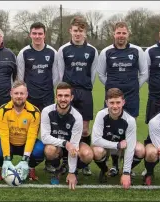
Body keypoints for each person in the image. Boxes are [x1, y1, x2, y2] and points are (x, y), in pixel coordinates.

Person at [97, 21, 148, 176]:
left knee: (128, 131)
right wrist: (114, 91)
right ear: (114, 34)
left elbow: (144, 73)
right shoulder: (106, 52)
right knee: (111, 131)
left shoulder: (137, 51)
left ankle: (127, 166)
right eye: (118, 33)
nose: (121, 36)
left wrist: (133, 87)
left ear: (128, 34)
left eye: (123, 33)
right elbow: (101, 74)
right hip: (112, 99)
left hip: (132, 98)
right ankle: (113, 164)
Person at [55, 16, 99, 176]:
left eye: (81, 31)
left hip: (85, 92)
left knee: (85, 130)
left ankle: (83, 163)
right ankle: (66, 161)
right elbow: (60, 74)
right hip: (69, 92)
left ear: (85, 32)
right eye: (75, 31)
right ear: (70, 31)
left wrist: (84, 86)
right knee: (67, 127)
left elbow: (93, 74)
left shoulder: (92, 51)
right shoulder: (63, 50)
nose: (78, 34)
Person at [0, 80, 44, 182]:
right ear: (11, 94)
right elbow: (3, 135)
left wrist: (25, 159)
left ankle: (30, 167)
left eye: (22, 93)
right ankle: (4, 166)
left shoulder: (34, 112)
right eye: (16, 93)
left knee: (40, 150)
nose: (19, 96)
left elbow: (32, 137)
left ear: (26, 94)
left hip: (25, 143)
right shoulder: (2, 110)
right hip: (9, 143)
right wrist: (6, 159)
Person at [41, 82, 93, 190]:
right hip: (57, 147)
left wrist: (72, 172)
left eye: (66, 96)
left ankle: (71, 168)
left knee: (87, 154)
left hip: (73, 146)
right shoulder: (47, 111)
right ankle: (57, 169)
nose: (63, 99)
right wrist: (65, 143)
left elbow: (74, 146)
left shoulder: (77, 116)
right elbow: (44, 137)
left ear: (71, 97)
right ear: (56, 97)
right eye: (60, 95)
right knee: (49, 150)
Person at [91, 88, 144, 189]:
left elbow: (130, 147)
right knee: (97, 151)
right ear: (106, 102)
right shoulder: (101, 115)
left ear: (123, 102)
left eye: (118, 102)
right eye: (112, 103)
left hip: (123, 148)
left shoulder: (130, 120)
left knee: (140, 150)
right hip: (106, 146)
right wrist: (117, 145)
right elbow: (95, 140)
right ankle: (105, 169)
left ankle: (123, 169)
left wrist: (126, 172)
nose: (115, 106)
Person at [16, 22, 59, 111]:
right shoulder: (23, 53)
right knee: (30, 124)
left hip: (47, 97)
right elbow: (20, 78)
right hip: (29, 97)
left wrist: (47, 88)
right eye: (34, 33)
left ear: (44, 35)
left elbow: (56, 77)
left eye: (40, 33)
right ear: (30, 35)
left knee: (46, 124)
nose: (37, 36)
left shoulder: (53, 52)